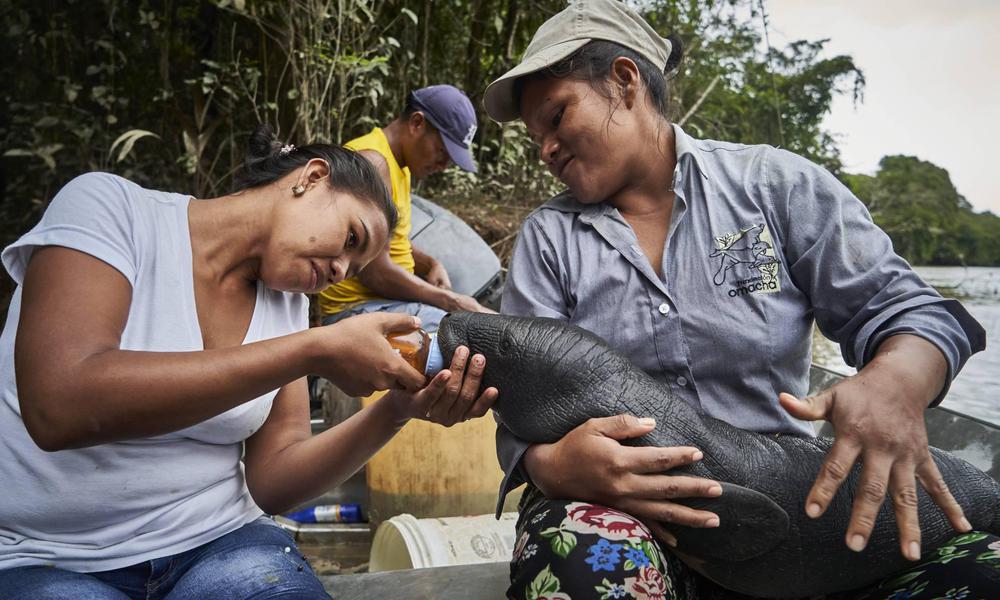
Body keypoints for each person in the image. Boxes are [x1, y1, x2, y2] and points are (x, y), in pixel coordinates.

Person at [481, 1, 992, 598]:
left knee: (981, 572)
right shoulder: (550, 237)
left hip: (786, 507)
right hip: (622, 511)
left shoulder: (775, 187)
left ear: (624, 81)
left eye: (557, 116)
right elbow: (522, 391)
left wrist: (895, 383)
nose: (545, 149)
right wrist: (554, 466)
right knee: (578, 559)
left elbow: (913, 314)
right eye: (536, 137)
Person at [0, 125, 497, 599]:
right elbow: (61, 403)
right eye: (350, 239)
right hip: (46, 556)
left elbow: (275, 482)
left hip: (216, 546)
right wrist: (316, 348)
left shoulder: (288, 306)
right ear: (312, 177)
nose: (340, 271)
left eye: (354, 268)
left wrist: (395, 411)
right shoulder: (113, 210)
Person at [318, 84, 494, 333]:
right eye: (442, 151)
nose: (443, 165)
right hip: (358, 309)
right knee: (480, 335)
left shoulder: (400, 166)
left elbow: (388, 241)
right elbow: (374, 272)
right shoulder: (371, 161)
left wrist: (429, 264)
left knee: (494, 326)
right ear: (417, 123)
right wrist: (448, 300)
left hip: (390, 303)